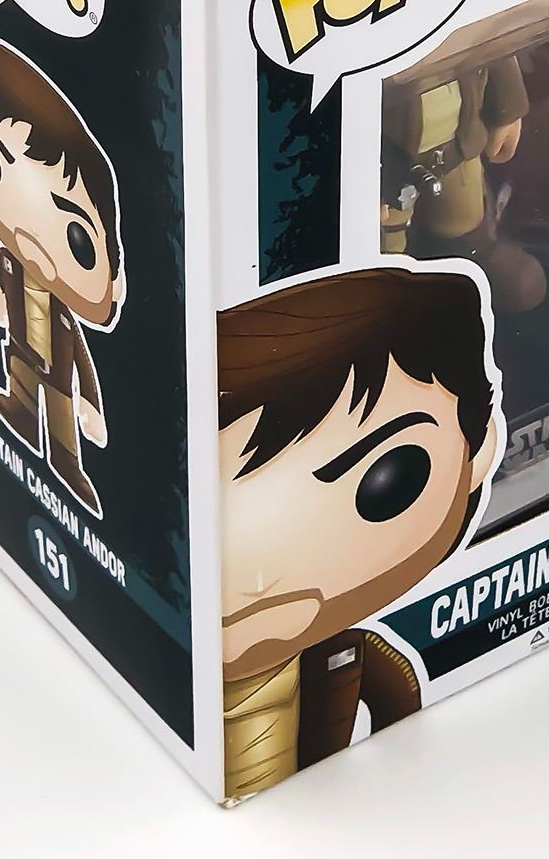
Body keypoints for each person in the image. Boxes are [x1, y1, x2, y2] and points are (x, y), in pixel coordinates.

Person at [218, 267, 500, 798]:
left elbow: (400, 703)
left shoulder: (344, 658)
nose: (260, 581)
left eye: (388, 482)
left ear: (477, 451)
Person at [0, 30, 124, 516]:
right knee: (22, 391)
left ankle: (68, 464)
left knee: (62, 422)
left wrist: (91, 402)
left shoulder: (65, 313)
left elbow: (82, 357)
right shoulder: (7, 264)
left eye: (77, 240)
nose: (30, 236)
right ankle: (20, 416)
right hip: (22, 351)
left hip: (60, 373)